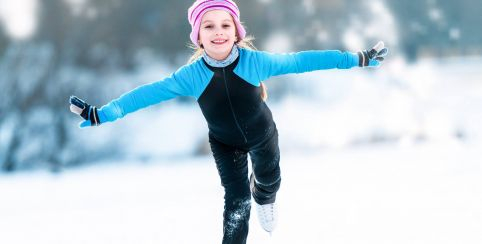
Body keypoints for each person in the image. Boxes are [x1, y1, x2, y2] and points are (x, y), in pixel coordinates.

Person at [69, 0, 388, 243]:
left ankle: (265, 196)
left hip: (263, 135)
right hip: (224, 144)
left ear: (236, 32)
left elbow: (304, 60)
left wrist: (356, 58)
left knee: (269, 180)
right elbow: (146, 94)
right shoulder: (191, 76)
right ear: (198, 38)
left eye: (225, 25)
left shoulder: (255, 62)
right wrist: (103, 113)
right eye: (208, 27)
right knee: (236, 201)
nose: (218, 32)